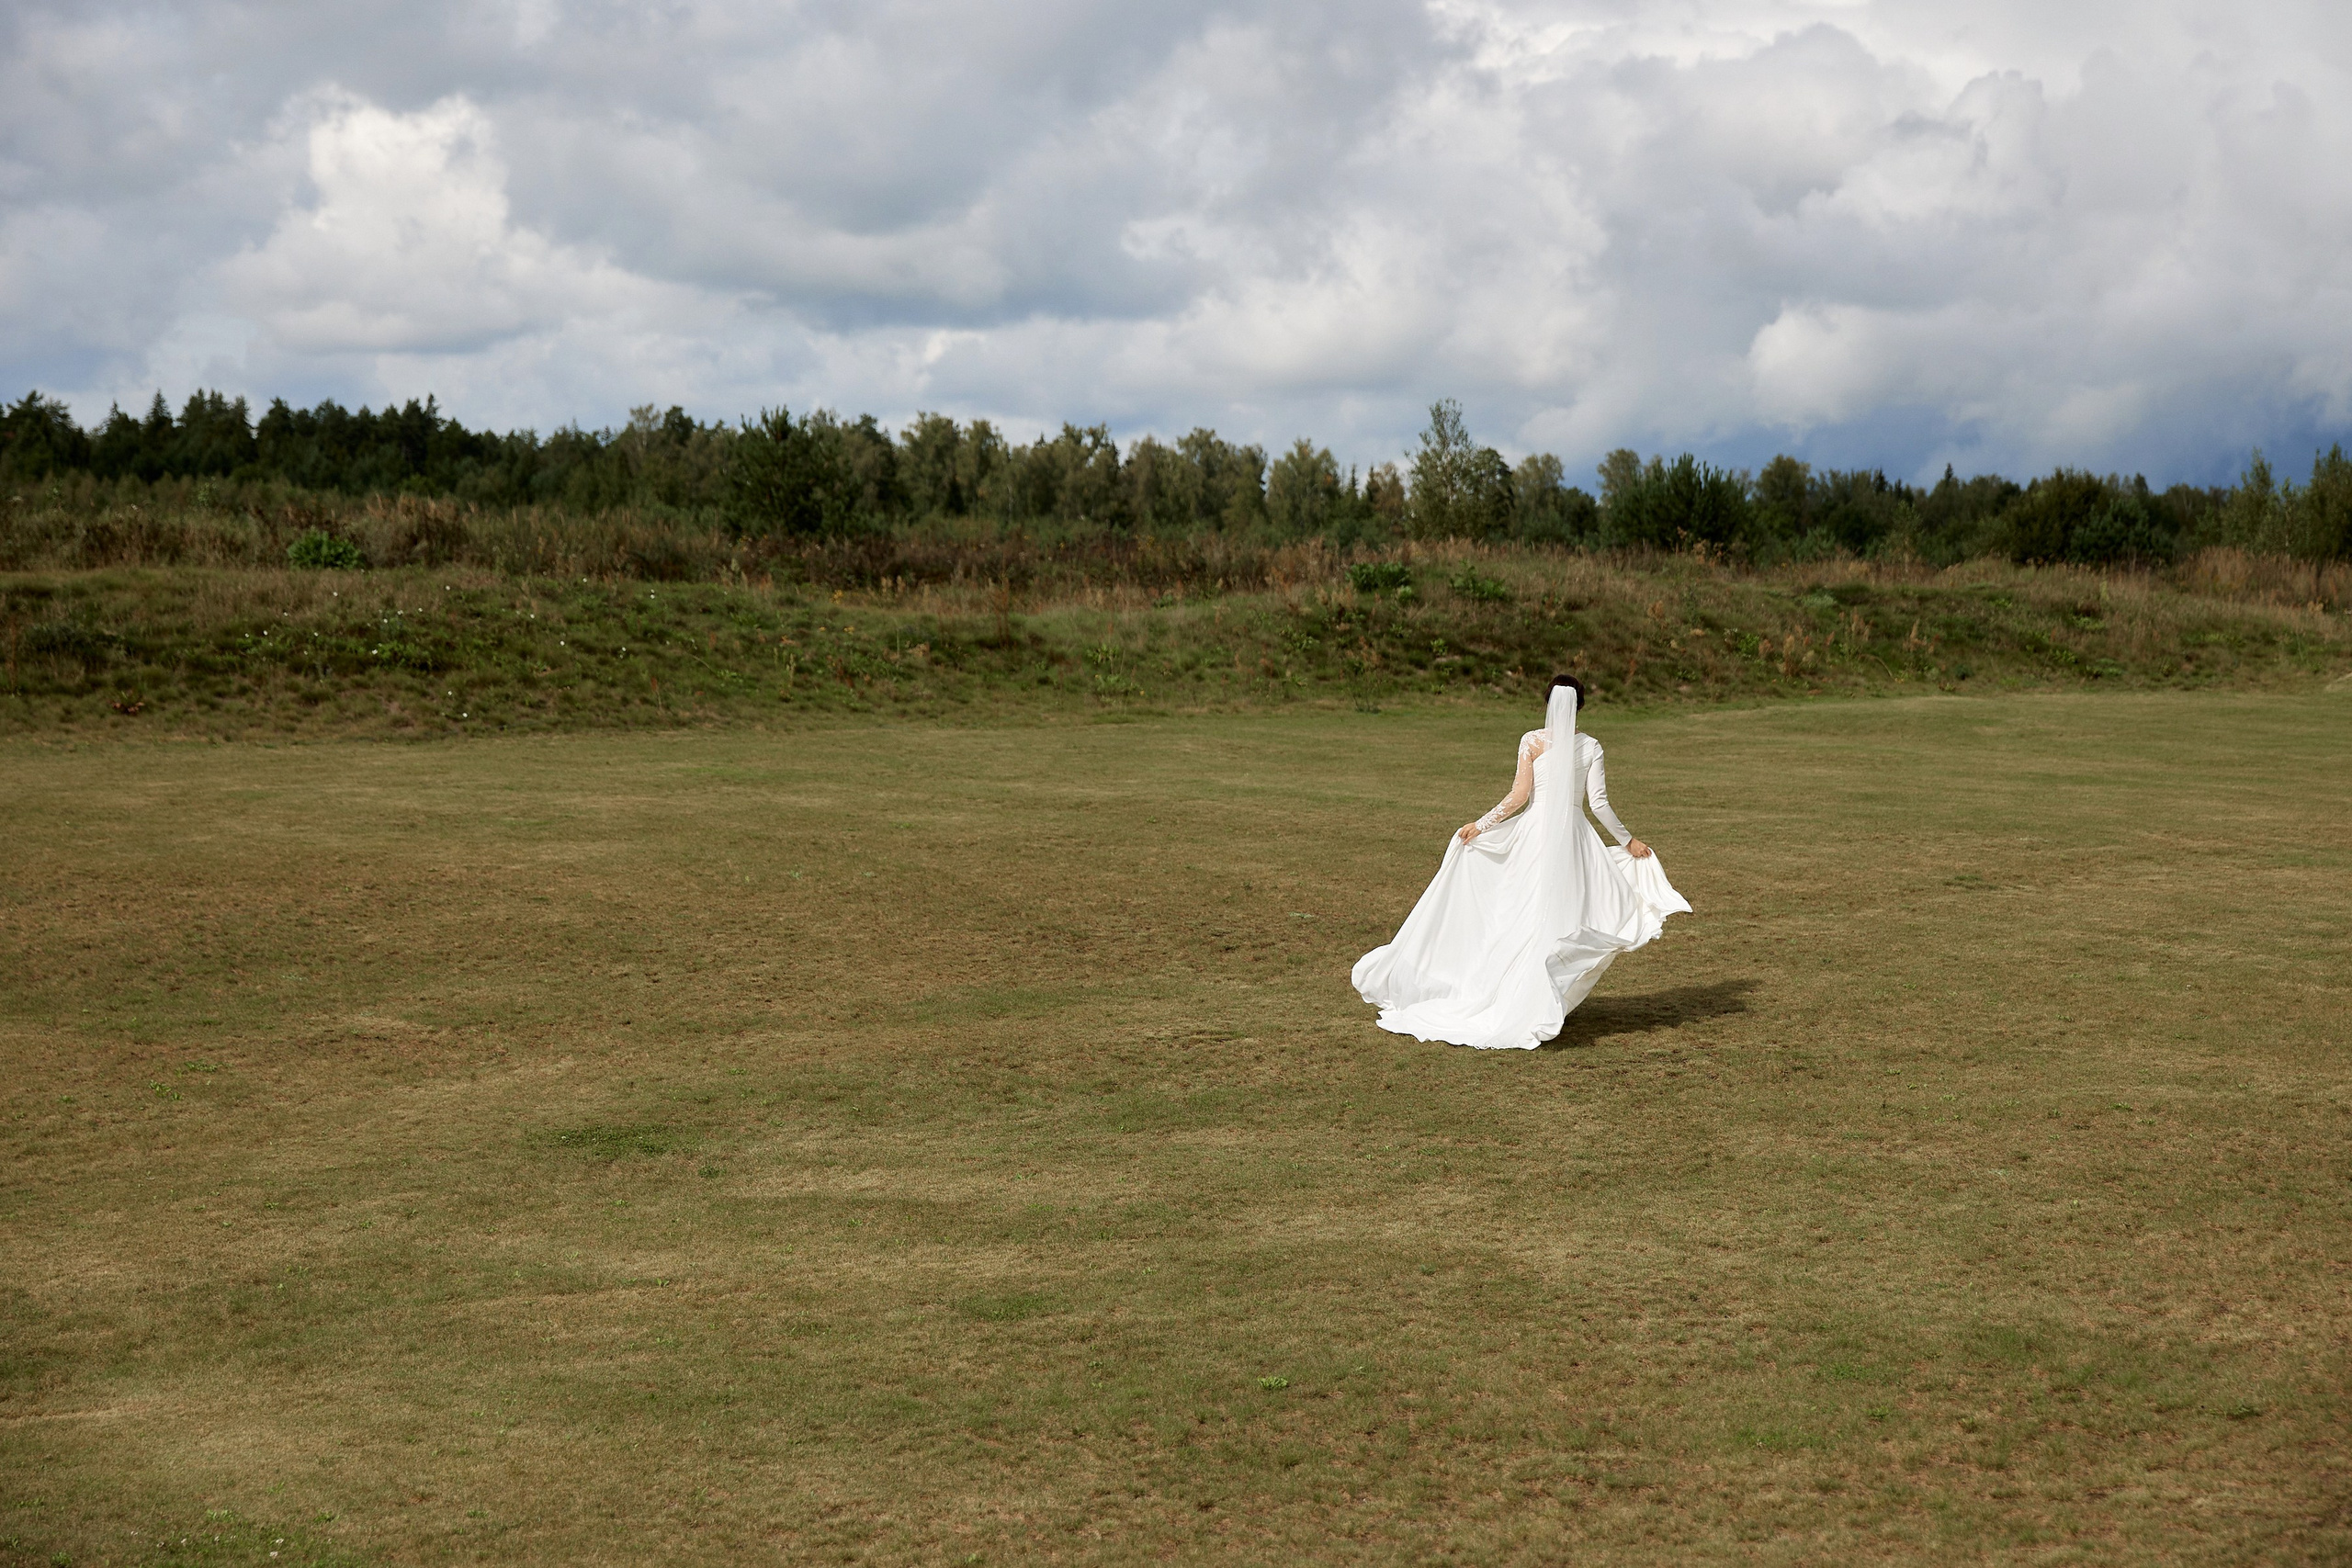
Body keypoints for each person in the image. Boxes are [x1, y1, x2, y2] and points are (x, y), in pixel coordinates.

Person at [1351, 675, 1690, 1050]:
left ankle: (1519, 990)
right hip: (1573, 836)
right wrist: (1629, 841)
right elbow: (1599, 804)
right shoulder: (1590, 746)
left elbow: (1518, 796)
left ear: (1548, 703)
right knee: (1567, 909)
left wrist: (1480, 825)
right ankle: (1538, 992)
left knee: (1519, 911)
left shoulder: (1532, 741)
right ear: (1579, 706)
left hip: (1533, 833)